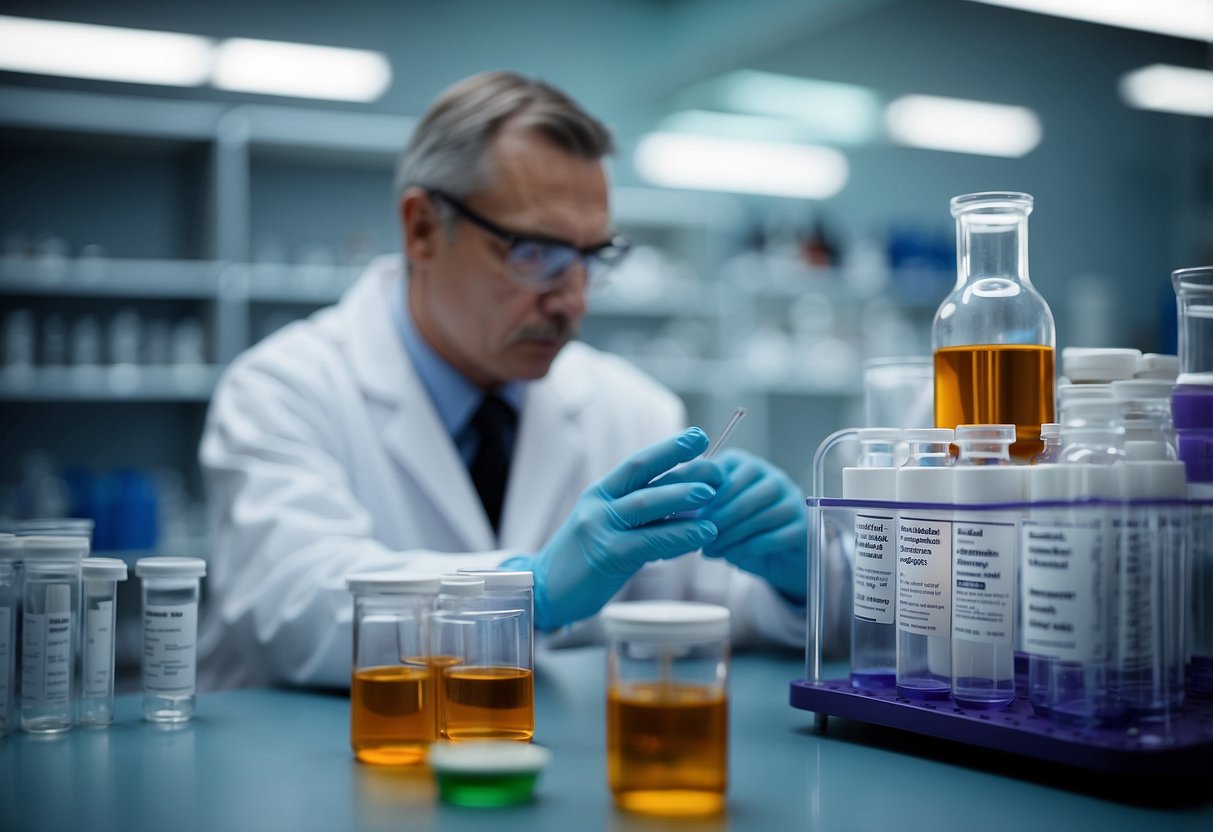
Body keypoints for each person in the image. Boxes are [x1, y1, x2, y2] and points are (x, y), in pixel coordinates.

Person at [198, 71, 808, 689]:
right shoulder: (282, 390)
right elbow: (291, 606)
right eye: (534, 252)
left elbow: (722, 606)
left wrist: (798, 577)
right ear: (422, 229)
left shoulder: (633, 410)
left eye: (593, 257)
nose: (573, 300)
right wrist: (525, 589)